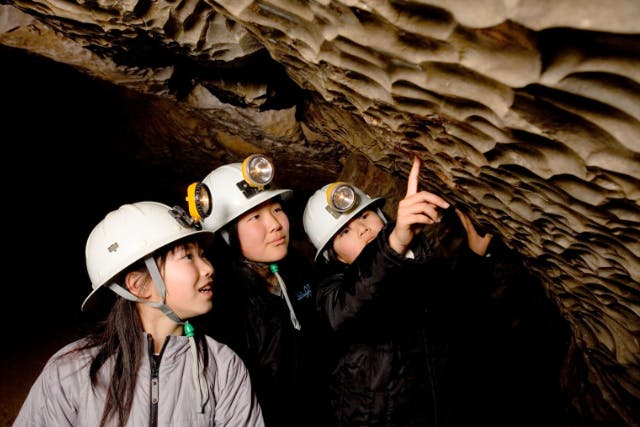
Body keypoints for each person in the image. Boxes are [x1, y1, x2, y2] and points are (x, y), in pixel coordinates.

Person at [13, 201, 264, 427]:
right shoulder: (69, 372)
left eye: (202, 255)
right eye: (188, 256)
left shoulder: (223, 367)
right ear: (138, 285)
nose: (208, 268)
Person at [302, 156, 493, 426]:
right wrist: (394, 242)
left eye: (366, 216)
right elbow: (350, 304)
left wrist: (473, 258)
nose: (363, 229)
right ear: (336, 257)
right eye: (345, 231)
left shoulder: (419, 264)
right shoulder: (329, 294)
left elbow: (455, 314)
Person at [184, 154, 330, 427]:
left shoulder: (299, 271)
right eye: (255, 216)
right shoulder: (217, 304)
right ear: (226, 233)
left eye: (276, 209)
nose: (275, 224)